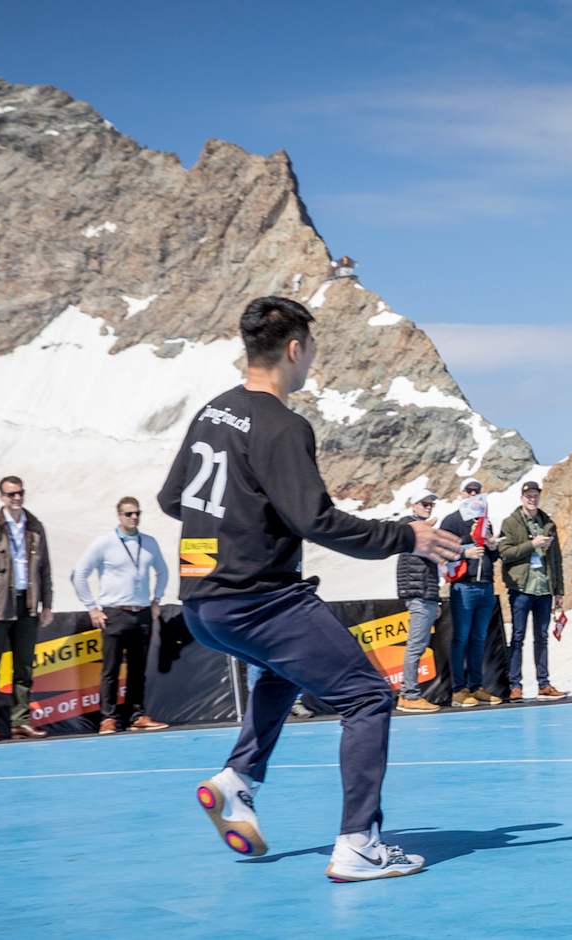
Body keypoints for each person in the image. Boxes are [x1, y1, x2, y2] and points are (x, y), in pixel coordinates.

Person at [159, 296, 460, 880]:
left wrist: (232, 528)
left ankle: (237, 780)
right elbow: (316, 521)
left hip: (201, 603)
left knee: (281, 670)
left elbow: (175, 500)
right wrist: (407, 535)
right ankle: (358, 845)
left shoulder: (211, 414)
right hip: (259, 599)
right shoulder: (283, 426)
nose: (312, 359)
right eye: (312, 349)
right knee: (368, 698)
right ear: (295, 349)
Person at [71, 496, 171, 734]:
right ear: (119, 516)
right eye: (129, 514)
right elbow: (80, 574)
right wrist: (92, 607)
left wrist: (156, 599)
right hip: (115, 613)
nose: (134, 517)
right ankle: (108, 717)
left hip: (142, 612)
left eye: (137, 513)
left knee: (138, 668)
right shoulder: (104, 543)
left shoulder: (149, 542)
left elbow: (163, 571)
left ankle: (137, 715)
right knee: (111, 669)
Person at [0, 475, 55, 741]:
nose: (17, 498)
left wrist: (47, 604)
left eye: (20, 493)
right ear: (2, 497)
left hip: (27, 603)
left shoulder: (35, 527)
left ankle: (20, 720)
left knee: (24, 667)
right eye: (11, 494)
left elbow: (46, 569)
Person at [498, 481, 566, 701]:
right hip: (521, 588)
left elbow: (556, 559)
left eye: (535, 495)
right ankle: (515, 685)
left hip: (544, 588)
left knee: (542, 637)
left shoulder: (548, 523)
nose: (532, 499)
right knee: (518, 637)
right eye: (528, 495)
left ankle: (543, 684)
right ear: (522, 498)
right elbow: (505, 553)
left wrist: (559, 590)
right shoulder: (510, 522)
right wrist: (533, 544)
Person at [441, 480, 501, 707]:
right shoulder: (452, 520)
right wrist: (465, 552)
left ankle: (477, 686)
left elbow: (490, 557)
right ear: (461, 494)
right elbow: (443, 552)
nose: (473, 494)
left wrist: (493, 548)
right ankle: (458, 689)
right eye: (469, 491)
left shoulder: (485, 521)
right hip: (463, 585)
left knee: (479, 639)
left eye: (477, 491)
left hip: (485, 584)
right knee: (462, 638)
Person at [394, 489, 442, 712]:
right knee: (415, 647)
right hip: (419, 595)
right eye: (424, 503)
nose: (429, 506)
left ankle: (409, 694)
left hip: (427, 594)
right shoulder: (409, 527)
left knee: (418, 646)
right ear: (413, 505)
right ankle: (409, 695)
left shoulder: (423, 531)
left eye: (431, 503)